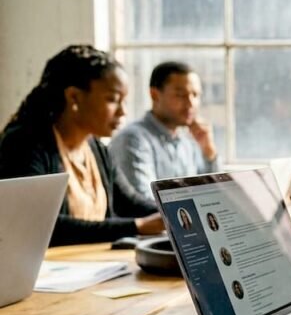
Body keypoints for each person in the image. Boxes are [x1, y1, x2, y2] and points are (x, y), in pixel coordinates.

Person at [0, 45, 165, 246]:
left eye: (124, 101)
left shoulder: (96, 148)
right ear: (74, 97)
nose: (123, 112)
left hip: (93, 262)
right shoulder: (24, 144)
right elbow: (41, 225)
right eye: (113, 99)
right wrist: (136, 227)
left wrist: (170, 213)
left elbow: (130, 202)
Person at [109, 61, 219, 201]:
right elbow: (144, 203)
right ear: (154, 95)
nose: (191, 103)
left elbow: (215, 195)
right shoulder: (132, 140)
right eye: (180, 95)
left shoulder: (189, 141)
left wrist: (209, 152)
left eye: (195, 95)